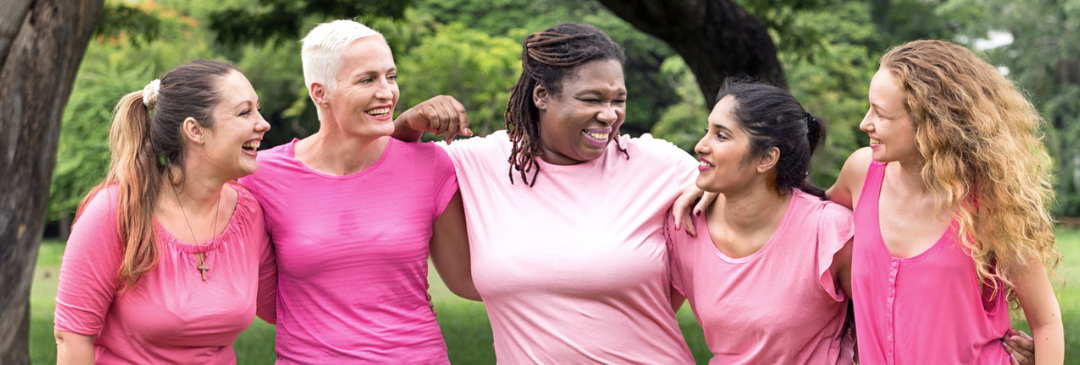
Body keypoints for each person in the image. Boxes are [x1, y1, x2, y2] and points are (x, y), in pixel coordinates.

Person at [393, 22, 698, 363]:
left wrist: (709, 185)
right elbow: (382, 169)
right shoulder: (482, 163)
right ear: (541, 96)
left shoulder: (659, 165)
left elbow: (747, 190)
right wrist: (408, 124)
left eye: (618, 100)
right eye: (591, 99)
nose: (609, 115)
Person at [237, 20, 477, 364]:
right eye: (367, 79)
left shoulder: (431, 164)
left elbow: (467, 280)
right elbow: (261, 300)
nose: (386, 92)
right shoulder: (260, 177)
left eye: (390, 77)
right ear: (320, 93)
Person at [827, 40, 1063, 364]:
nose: (865, 123)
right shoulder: (859, 172)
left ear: (932, 122)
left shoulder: (992, 204)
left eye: (880, 113)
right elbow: (810, 230)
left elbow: (1046, 322)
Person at [54, 60, 276, 364]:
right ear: (195, 130)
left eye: (258, 110)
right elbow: (73, 337)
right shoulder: (114, 212)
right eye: (244, 112)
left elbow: (281, 306)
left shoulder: (248, 212)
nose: (263, 123)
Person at [665, 80, 855, 364]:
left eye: (721, 136)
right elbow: (649, 320)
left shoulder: (829, 231)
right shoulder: (686, 224)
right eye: (708, 131)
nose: (700, 145)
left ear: (766, 158)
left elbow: (881, 330)